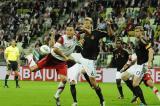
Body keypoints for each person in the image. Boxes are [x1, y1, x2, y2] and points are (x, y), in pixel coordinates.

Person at [27, 25, 78, 106]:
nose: (68, 32)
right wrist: (65, 57)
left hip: (61, 62)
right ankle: (29, 57)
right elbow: (55, 49)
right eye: (67, 30)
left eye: (70, 30)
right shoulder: (62, 38)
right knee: (32, 70)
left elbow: (85, 35)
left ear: (74, 31)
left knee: (64, 80)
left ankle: (57, 95)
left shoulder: (76, 38)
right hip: (51, 58)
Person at [68, 17, 113, 106]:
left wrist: (108, 26)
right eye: (84, 22)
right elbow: (75, 36)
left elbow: (110, 35)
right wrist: (78, 40)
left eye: (87, 22)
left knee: (94, 83)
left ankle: (102, 100)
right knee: (68, 59)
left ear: (91, 24)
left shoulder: (97, 32)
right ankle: (75, 102)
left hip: (89, 60)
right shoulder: (82, 34)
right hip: (81, 57)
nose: (85, 23)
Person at [120, 26, 154, 105]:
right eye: (135, 31)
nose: (136, 33)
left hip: (143, 65)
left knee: (135, 84)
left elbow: (151, 50)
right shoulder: (137, 40)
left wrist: (149, 62)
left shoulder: (143, 39)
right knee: (124, 76)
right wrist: (131, 63)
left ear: (142, 32)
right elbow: (140, 54)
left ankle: (144, 103)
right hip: (137, 64)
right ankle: (136, 93)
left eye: (138, 31)